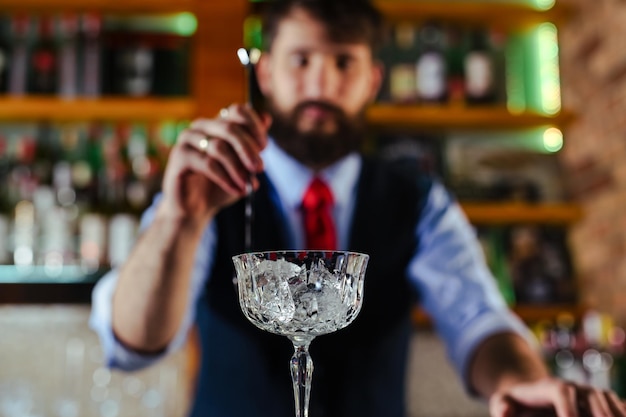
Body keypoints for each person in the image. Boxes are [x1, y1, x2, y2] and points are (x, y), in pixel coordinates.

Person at [90, 0, 626, 416]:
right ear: (267, 74)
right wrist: (177, 221)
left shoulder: (418, 199)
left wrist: (522, 382)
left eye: (343, 62)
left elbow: (478, 319)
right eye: (301, 61)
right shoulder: (207, 189)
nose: (321, 84)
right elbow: (133, 346)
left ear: (372, 79)